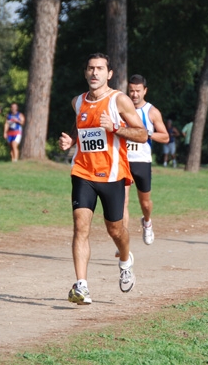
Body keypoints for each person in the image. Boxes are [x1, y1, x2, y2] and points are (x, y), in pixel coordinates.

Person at [58, 53, 148, 305]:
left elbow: (142, 135)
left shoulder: (119, 100)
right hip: (83, 172)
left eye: (100, 69)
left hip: (112, 176)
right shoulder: (77, 102)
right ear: (85, 73)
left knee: (115, 230)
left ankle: (125, 260)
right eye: (90, 68)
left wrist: (116, 128)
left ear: (109, 74)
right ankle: (82, 286)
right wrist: (71, 141)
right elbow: (81, 127)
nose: (94, 73)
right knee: (80, 226)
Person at [124, 74, 169, 246]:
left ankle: (147, 221)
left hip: (142, 161)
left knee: (145, 203)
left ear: (145, 91)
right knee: (123, 203)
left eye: (138, 91)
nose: (134, 94)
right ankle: (124, 243)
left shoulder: (151, 112)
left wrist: (146, 133)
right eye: (131, 91)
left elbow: (165, 137)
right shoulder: (122, 108)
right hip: (123, 161)